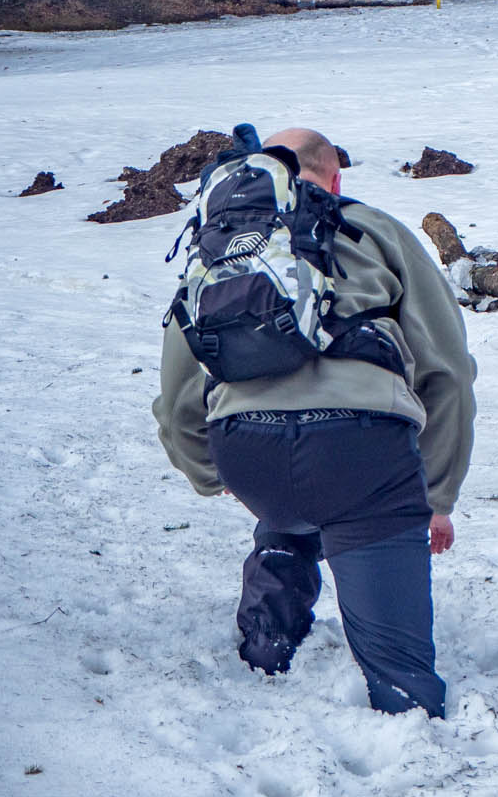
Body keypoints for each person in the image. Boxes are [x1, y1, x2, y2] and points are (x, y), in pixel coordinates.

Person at [154, 127, 477, 717]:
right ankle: (406, 717)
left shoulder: (223, 239)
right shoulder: (376, 230)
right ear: (334, 177)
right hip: (362, 453)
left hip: (248, 451)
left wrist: (212, 474)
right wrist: (436, 493)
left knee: (290, 503)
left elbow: (177, 395)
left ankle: (265, 644)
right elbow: (448, 372)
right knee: (395, 655)